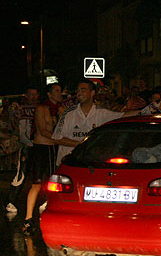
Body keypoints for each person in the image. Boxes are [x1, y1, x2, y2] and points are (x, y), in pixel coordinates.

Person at [52, 80, 141, 167]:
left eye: (83, 90)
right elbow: (57, 138)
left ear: (92, 93)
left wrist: (146, 111)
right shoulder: (68, 114)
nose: (79, 93)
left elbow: (122, 116)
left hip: (90, 164)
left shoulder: (101, 113)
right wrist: (81, 144)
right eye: (78, 90)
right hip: (68, 164)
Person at [22, 83, 63, 235]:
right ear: (49, 94)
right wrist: (64, 140)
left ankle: (51, 216)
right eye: (57, 91)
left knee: (54, 184)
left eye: (60, 91)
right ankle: (28, 219)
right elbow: (43, 130)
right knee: (37, 184)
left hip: (54, 149)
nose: (60, 94)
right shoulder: (41, 109)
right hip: (42, 149)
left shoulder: (61, 110)